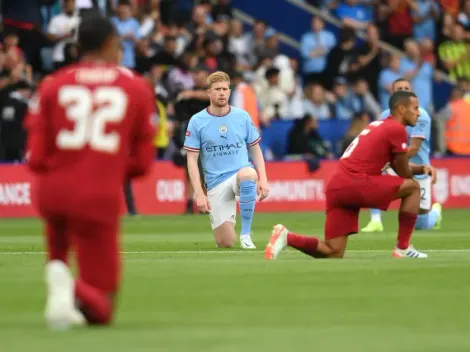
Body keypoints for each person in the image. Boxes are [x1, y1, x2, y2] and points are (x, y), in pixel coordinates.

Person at [24, 15, 156, 329]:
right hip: (98, 195)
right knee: (102, 309)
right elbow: (142, 164)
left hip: (53, 191)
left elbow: (35, 158)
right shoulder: (135, 87)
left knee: (57, 237)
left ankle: (58, 270)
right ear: (112, 44)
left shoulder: (53, 84)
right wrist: (104, 167)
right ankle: (69, 286)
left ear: (78, 45)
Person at [265, 91, 436, 260]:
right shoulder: (396, 129)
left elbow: (396, 165)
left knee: (333, 251)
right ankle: (403, 248)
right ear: (401, 109)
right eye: (415, 108)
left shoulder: (379, 125)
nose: (419, 112)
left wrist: (421, 169)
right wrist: (419, 181)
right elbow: (403, 173)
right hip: (356, 182)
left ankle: (287, 237)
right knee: (413, 187)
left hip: (337, 186)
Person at [183, 71, 269, 249]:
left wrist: (263, 178)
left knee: (248, 173)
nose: (222, 93)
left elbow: (255, 149)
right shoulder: (197, 121)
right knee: (225, 242)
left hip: (240, 174)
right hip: (215, 183)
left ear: (229, 92)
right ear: (209, 92)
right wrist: (199, 193)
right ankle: (228, 230)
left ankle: (246, 234)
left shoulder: (242, 116)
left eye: (225, 89)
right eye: (217, 89)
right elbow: (192, 159)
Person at [361, 78, 442, 233]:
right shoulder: (385, 115)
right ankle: (375, 221)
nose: (404, 90)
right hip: (395, 164)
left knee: (421, 224)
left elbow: (414, 149)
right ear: (392, 95)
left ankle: (435, 213)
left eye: (406, 88)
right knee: (372, 177)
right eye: (399, 89)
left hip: (417, 169)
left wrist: (392, 159)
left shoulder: (422, 116)